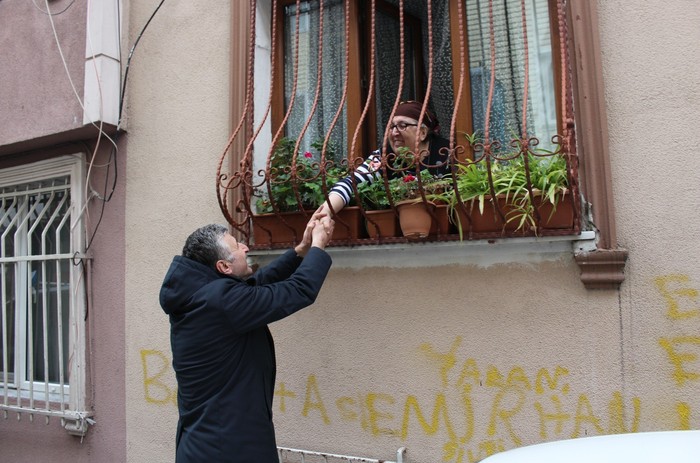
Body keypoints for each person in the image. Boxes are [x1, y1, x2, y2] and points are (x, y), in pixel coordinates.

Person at [159, 212, 334, 462]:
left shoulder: (202, 294)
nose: (245, 247)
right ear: (224, 267)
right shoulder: (222, 301)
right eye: (237, 246)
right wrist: (319, 245)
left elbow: (256, 285)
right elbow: (298, 290)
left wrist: (301, 250)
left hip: (206, 445)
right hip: (227, 450)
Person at [320, 100, 451, 215]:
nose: (394, 133)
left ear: (422, 132)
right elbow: (350, 183)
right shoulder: (384, 156)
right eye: (392, 126)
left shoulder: (447, 152)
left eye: (403, 125)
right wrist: (325, 212)